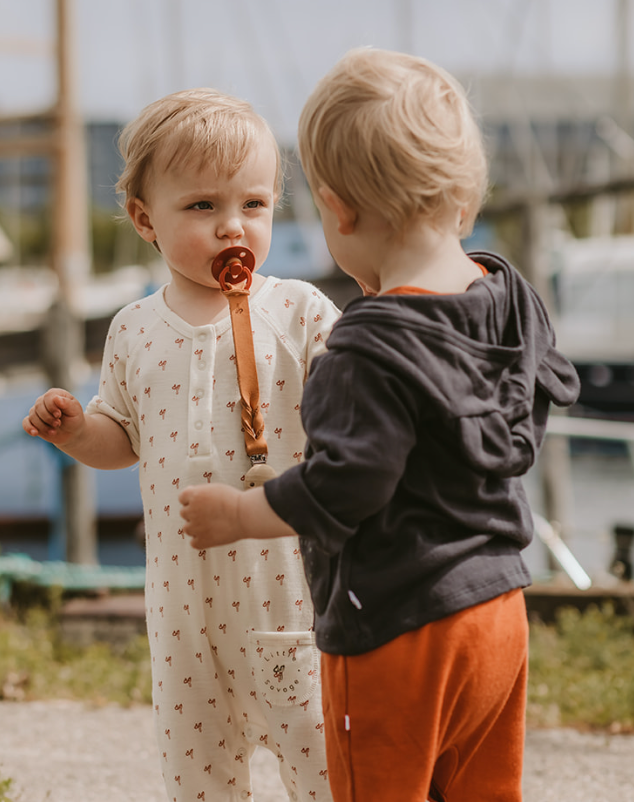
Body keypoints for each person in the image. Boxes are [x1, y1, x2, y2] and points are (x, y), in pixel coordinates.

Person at [178, 49, 581, 802]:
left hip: (399, 628)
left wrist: (241, 513)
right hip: (498, 612)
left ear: (339, 210)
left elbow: (348, 485)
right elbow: (543, 390)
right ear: (462, 198)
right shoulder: (509, 300)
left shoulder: (367, 345)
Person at [23, 88, 340, 802]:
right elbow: (122, 439)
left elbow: (353, 393)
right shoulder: (134, 330)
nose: (233, 226)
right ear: (146, 221)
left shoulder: (298, 310)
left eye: (253, 205)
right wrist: (76, 430)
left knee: (324, 768)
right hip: (183, 615)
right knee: (198, 779)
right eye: (202, 207)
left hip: (289, 597)